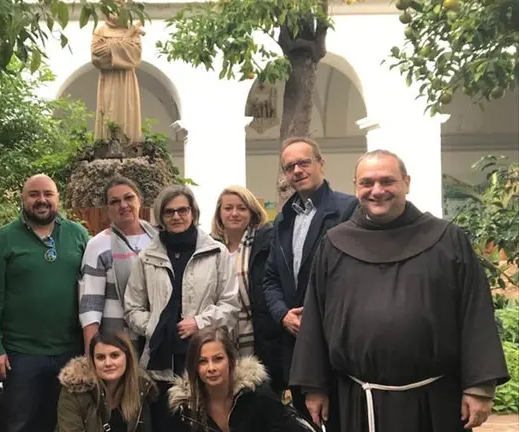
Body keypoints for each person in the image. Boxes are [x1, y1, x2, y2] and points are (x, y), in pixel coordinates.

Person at [290, 150, 510, 432]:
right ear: (356, 185)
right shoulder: (334, 243)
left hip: (434, 399)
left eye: (387, 181)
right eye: (367, 182)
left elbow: (475, 312)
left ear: (406, 182)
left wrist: (479, 387)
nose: (377, 190)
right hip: (357, 400)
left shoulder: (447, 239)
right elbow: (316, 318)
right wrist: (314, 387)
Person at [0, 174, 91, 432]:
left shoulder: (78, 235)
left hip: (69, 350)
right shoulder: (2, 240)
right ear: (23, 199)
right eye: (34, 194)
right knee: (19, 423)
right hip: (21, 354)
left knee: (66, 422)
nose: (42, 200)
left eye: (48, 194)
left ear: (57, 198)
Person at [124, 184, 240, 429]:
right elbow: (132, 308)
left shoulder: (216, 252)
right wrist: (156, 326)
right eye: (169, 212)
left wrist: (199, 323)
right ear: (161, 217)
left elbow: (230, 305)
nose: (176, 216)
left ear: (193, 213)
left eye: (183, 210)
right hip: (160, 362)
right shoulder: (147, 256)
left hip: (204, 358)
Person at [260, 137, 357, 422]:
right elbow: (271, 280)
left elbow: (354, 278)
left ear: (321, 164)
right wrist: (282, 315)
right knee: (305, 423)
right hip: (296, 345)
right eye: (290, 167)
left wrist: (315, 315)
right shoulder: (283, 219)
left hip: (335, 342)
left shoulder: (348, 211)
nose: (297, 171)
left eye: (304, 162)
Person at [167, 326, 318, 432]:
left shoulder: (258, 396)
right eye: (202, 361)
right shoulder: (184, 411)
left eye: (218, 359)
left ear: (231, 361)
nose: (211, 368)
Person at [210, 185, 282, 392]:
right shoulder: (209, 247)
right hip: (220, 333)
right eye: (228, 208)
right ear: (219, 213)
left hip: (259, 334)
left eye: (241, 208)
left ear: (252, 212)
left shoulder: (267, 242)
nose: (234, 213)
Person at [79, 176, 158, 354]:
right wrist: (91, 356)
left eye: (129, 198)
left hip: (158, 340)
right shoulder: (98, 245)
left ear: (140, 200)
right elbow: (90, 306)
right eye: (115, 201)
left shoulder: (159, 240)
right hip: (117, 345)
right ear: (107, 209)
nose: (123, 205)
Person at [57, 331, 159, 432]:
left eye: (114, 355)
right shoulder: (75, 389)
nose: (108, 363)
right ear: (93, 362)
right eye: (100, 357)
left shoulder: (141, 388)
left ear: (128, 358)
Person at [91, 1, 145, 142]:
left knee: (128, 110)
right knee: (108, 108)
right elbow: (97, 56)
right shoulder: (100, 31)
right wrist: (123, 44)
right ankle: (106, 144)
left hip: (127, 80)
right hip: (108, 79)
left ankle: (130, 144)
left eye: (119, 8)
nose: (114, 12)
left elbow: (135, 56)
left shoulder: (132, 30)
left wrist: (110, 48)